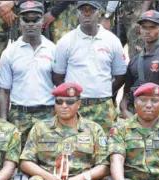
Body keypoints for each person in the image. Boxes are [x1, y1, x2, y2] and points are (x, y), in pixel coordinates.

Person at [15, 82, 109, 180]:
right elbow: (25, 162)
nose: (64, 106)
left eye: (70, 102)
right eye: (59, 101)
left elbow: (104, 165)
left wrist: (80, 179)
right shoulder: (41, 128)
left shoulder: (93, 129)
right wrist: (48, 177)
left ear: (78, 104)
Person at [53, 1, 126, 132]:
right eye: (82, 10)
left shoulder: (112, 40)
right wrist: (71, 96)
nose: (87, 14)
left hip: (103, 107)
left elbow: (120, 76)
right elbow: (58, 77)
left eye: (91, 10)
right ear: (77, 13)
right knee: (74, 148)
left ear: (100, 12)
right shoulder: (66, 41)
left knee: (106, 147)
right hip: (75, 105)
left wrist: (104, 92)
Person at [0, 1, 56, 146]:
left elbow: (60, 85)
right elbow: (4, 91)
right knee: (16, 161)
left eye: (35, 19)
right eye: (26, 19)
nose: (30, 24)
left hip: (47, 115)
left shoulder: (53, 50)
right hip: (19, 116)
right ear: (19, 21)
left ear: (43, 21)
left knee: (46, 160)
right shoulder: (9, 52)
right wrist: (4, 122)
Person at [120, 10, 159, 119]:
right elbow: (125, 96)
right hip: (135, 119)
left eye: (152, 27)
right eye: (144, 27)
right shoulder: (134, 61)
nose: (147, 31)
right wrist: (127, 115)